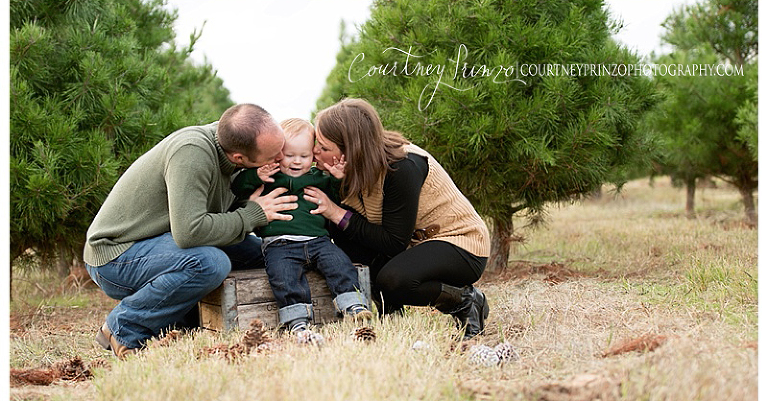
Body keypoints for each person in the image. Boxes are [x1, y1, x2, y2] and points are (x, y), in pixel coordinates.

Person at [83, 104, 297, 357]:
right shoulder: (192, 153)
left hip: (162, 241)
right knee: (210, 263)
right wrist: (253, 214)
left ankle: (186, 320)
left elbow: (221, 212)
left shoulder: (235, 149)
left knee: (265, 254)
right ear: (240, 158)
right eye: (274, 155)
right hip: (116, 255)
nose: (282, 157)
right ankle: (123, 327)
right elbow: (190, 232)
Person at [302, 98, 490, 338]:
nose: (316, 151)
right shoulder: (353, 167)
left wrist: (336, 211)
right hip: (415, 246)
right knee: (340, 227)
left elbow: (392, 242)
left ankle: (466, 301)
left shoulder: (403, 166)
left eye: (325, 148)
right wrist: (340, 185)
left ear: (351, 150)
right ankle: (389, 305)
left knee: (393, 280)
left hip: (460, 244)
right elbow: (361, 227)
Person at [231, 117, 370, 338]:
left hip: (319, 241)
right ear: (278, 154)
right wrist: (254, 175)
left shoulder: (317, 178)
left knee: (339, 264)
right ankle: (296, 320)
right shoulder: (269, 177)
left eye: (304, 156)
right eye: (289, 155)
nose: (297, 161)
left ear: (312, 156)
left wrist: (337, 179)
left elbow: (337, 197)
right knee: (284, 278)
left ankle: (353, 306)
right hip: (280, 244)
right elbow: (238, 186)